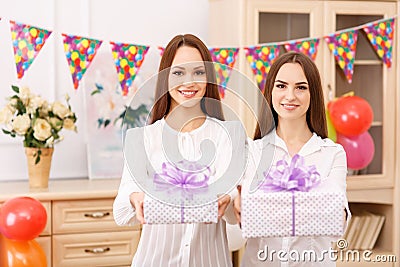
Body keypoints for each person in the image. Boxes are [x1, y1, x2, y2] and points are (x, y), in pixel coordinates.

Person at [113, 34, 245, 266]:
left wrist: (231, 196)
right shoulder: (141, 138)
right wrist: (135, 197)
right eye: (178, 73)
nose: (189, 82)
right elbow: (121, 212)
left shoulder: (230, 135)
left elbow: (237, 214)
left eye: (198, 72)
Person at [234, 51, 351, 266]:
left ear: (312, 93)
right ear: (270, 91)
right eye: (281, 86)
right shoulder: (251, 151)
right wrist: (313, 208)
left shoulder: (332, 153)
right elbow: (243, 224)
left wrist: (266, 208)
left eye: (301, 87)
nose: (290, 96)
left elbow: (336, 223)